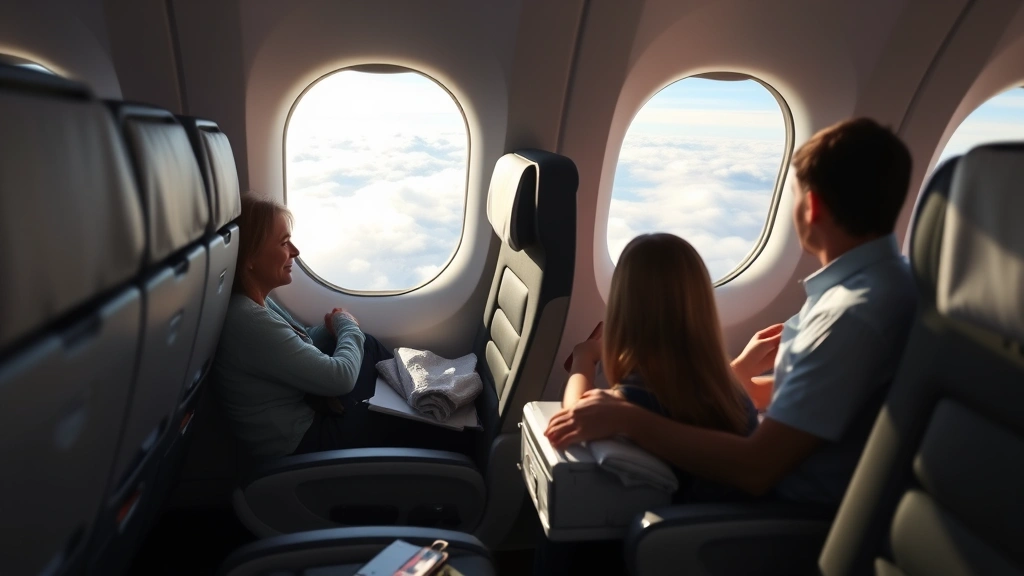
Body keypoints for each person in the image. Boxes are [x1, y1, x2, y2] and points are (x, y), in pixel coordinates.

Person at [545, 117, 918, 507]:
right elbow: (812, 403)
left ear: (812, 206)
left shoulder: (851, 316)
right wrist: (735, 371)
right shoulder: (880, 289)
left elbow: (757, 468)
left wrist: (627, 417)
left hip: (775, 516)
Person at [535, 233, 760, 575]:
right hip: (722, 545)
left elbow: (576, 415)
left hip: (675, 542)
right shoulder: (727, 385)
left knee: (565, 531)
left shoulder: (642, 394)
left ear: (624, 312)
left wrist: (584, 358)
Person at [213, 193, 475, 459]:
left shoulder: (257, 302)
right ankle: (457, 435)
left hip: (311, 417)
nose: (295, 251)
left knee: (368, 345)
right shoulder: (248, 320)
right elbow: (340, 378)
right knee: (407, 422)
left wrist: (331, 331)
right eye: (283, 243)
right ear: (250, 257)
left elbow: (298, 343)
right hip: (303, 440)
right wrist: (348, 327)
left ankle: (428, 397)